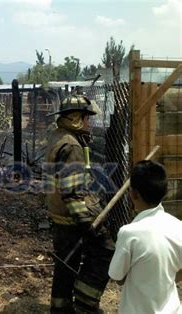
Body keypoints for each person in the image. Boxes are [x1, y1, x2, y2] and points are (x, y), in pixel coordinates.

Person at [44, 94, 115, 313]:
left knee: (66, 264)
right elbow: (72, 192)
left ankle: (61, 308)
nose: (89, 123)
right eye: (86, 118)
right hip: (71, 217)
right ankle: (85, 304)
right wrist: (87, 224)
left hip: (59, 214)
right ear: (76, 118)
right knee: (105, 251)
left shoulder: (59, 136)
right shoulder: (71, 146)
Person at [109, 160, 182, 314]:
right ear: (164, 192)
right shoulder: (178, 227)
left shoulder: (129, 233)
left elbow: (118, 277)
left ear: (133, 194)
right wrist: (163, 280)